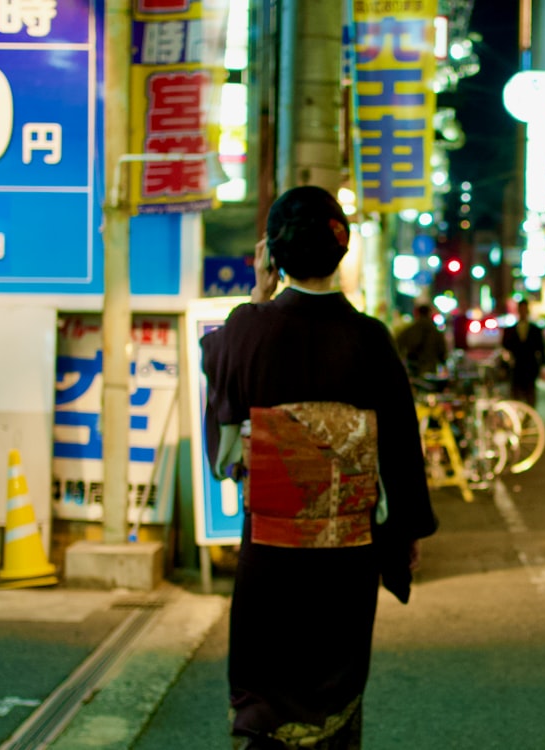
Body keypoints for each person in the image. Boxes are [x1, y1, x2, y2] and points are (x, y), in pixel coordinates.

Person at [201, 185, 438, 750]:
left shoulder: (245, 330)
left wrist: (259, 295)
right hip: (345, 555)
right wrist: (404, 531)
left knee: (268, 676)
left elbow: (224, 453)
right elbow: (399, 450)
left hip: (272, 548)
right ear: (341, 249)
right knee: (335, 681)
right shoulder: (370, 339)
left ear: (271, 255)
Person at [500, 298, 545, 408]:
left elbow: (541, 349)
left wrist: (543, 368)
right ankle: (518, 417)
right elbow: (504, 349)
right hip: (516, 367)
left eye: (524, 309)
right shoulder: (510, 330)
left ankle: (529, 417)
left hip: (531, 367)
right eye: (520, 309)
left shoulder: (535, 330)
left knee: (530, 394)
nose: (522, 311)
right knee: (515, 394)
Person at [395, 303, 448, 377]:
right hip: (430, 366)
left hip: (414, 367)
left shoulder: (411, 329)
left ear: (417, 313)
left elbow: (398, 343)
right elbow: (442, 349)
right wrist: (443, 363)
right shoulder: (434, 331)